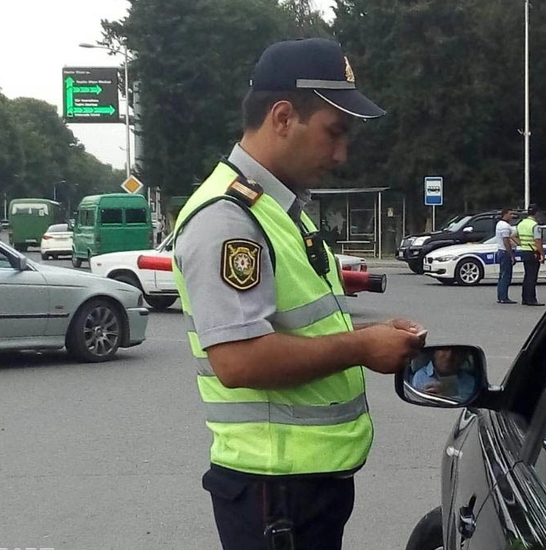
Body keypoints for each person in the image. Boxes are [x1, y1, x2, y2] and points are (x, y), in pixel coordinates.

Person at [172, 38, 425, 550]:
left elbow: (302, 325)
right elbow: (239, 361)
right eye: (334, 133)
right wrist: (361, 347)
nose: (341, 154)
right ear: (283, 117)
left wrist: (371, 335)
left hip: (298, 487)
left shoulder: (275, 207)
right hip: (275, 491)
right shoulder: (228, 218)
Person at [515, 204, 545, 306]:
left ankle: (524, 298)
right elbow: (538, 241)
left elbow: (513, 236)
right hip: (533, 252)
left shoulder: (521, 223)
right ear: (536, 213)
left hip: (524, 251)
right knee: (532, 276)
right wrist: (542, 254)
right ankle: (531, 299)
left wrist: (522, 243)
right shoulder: (535, 225)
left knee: (527, 275)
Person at [495, 208, 518, 304]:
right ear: (505, 214)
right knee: (506, 276)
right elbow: (506, 241)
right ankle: (504, 297)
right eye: (510, 214)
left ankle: (501, 296)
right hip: (505, 252)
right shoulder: (505, 226)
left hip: (501, 251)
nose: (512, 216)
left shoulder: (500, 224)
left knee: (502, 275)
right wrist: (511, 255)